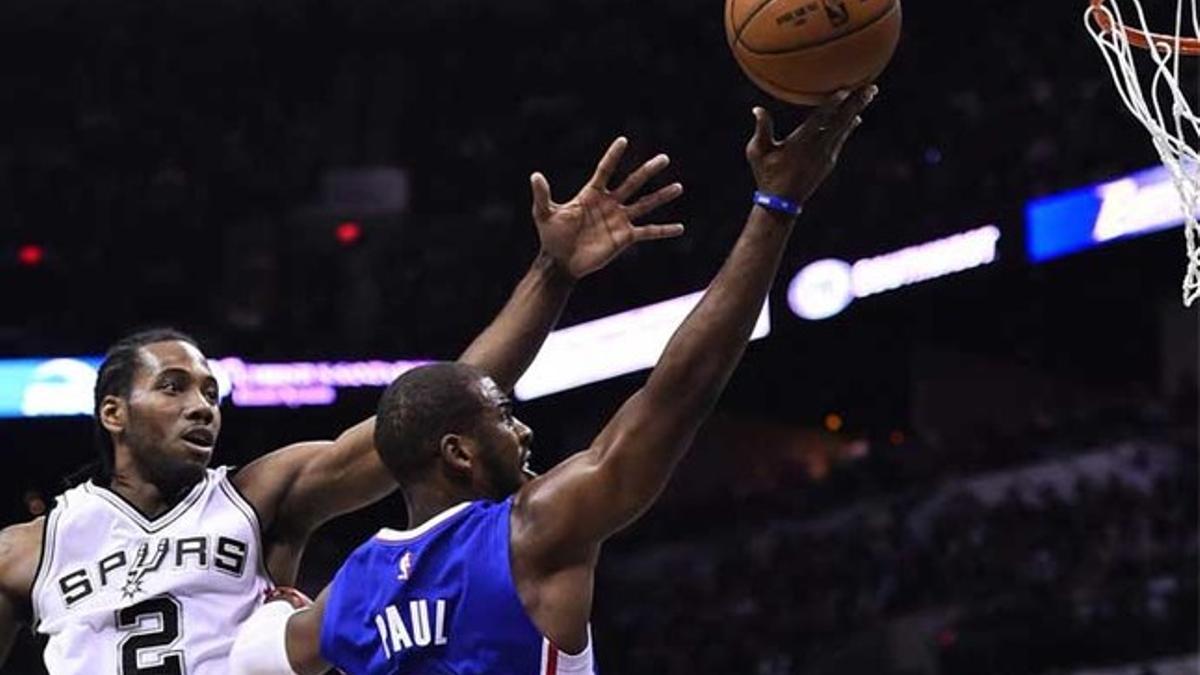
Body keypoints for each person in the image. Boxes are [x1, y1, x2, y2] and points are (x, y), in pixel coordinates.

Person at [228, 86, 877, 675]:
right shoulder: (529, 533)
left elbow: (248, 652)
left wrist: (259, 594)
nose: (523, 427)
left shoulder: (345, 598)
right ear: (458, 452)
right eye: (503, 416)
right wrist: (777, 204)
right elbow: (679, 393)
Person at [0, 138, 685, 674]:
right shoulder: (25, 550)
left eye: (211, 389)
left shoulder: (260, 495)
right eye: (174, 387)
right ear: (113, 412)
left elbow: (444, 400)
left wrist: (552, 272)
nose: (203, 406)